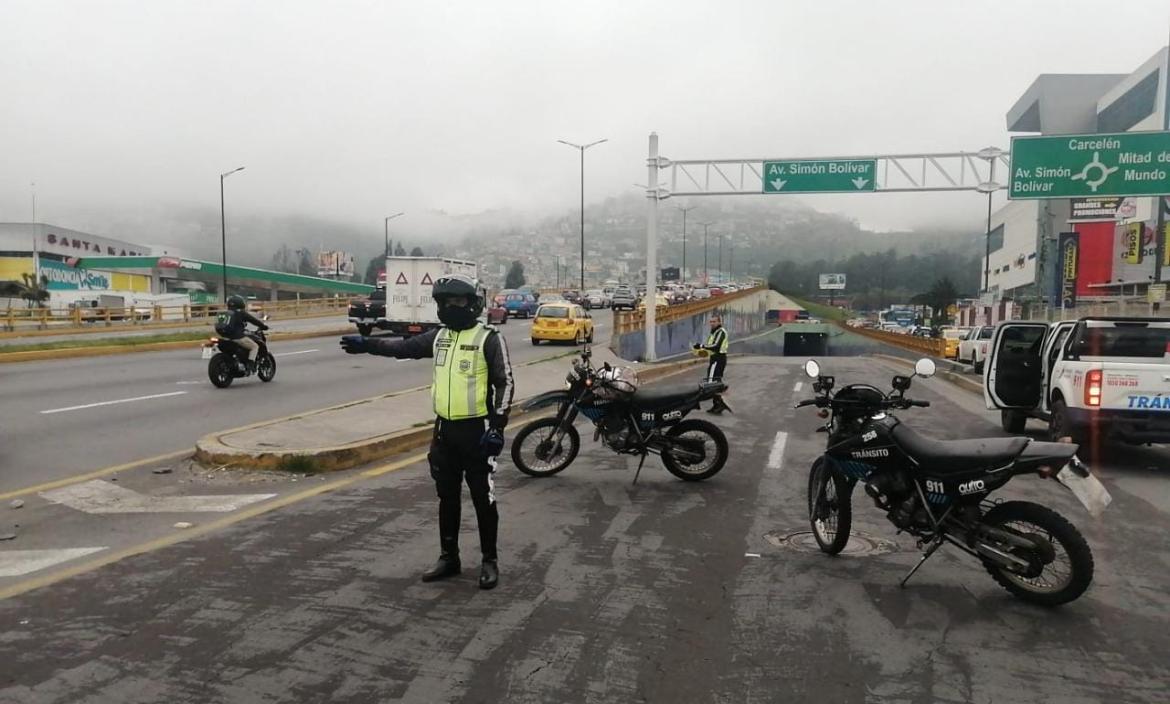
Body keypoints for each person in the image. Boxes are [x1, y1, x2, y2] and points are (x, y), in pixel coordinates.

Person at [339, 274, 513, 590]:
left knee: (482, 498)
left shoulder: (488, 338)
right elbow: (404, 348)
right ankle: (449, 557)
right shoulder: (439, 336)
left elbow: (505, 382)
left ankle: (489, 560)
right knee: (446, 496)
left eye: (457, 301)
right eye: (444, 302)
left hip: (477, 431)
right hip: (444, 431)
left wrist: (498, 426)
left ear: (472, 304)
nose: (449, 307)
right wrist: (369, 345)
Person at [216, 295, 268, 373]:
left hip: (225, 338)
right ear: (240, 303)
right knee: (255, 347)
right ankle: (250, 365)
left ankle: (237, 362)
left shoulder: (226, 313)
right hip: (238, 338)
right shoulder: (241, 313)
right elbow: (254, 320)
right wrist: (263, 326)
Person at [694, 315, 731, 414]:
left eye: (714, 321)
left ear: (719, 322)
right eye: (710, 322)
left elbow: (716, 346)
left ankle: (718, 404)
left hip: (718, 359)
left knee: (711, 382)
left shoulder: (720, 332)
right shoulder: (714, 332)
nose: (712, 323)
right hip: (716, 358)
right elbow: (711, 346)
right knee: (715, 381)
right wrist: (702, 350)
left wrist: (701, 346)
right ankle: (718, 404)